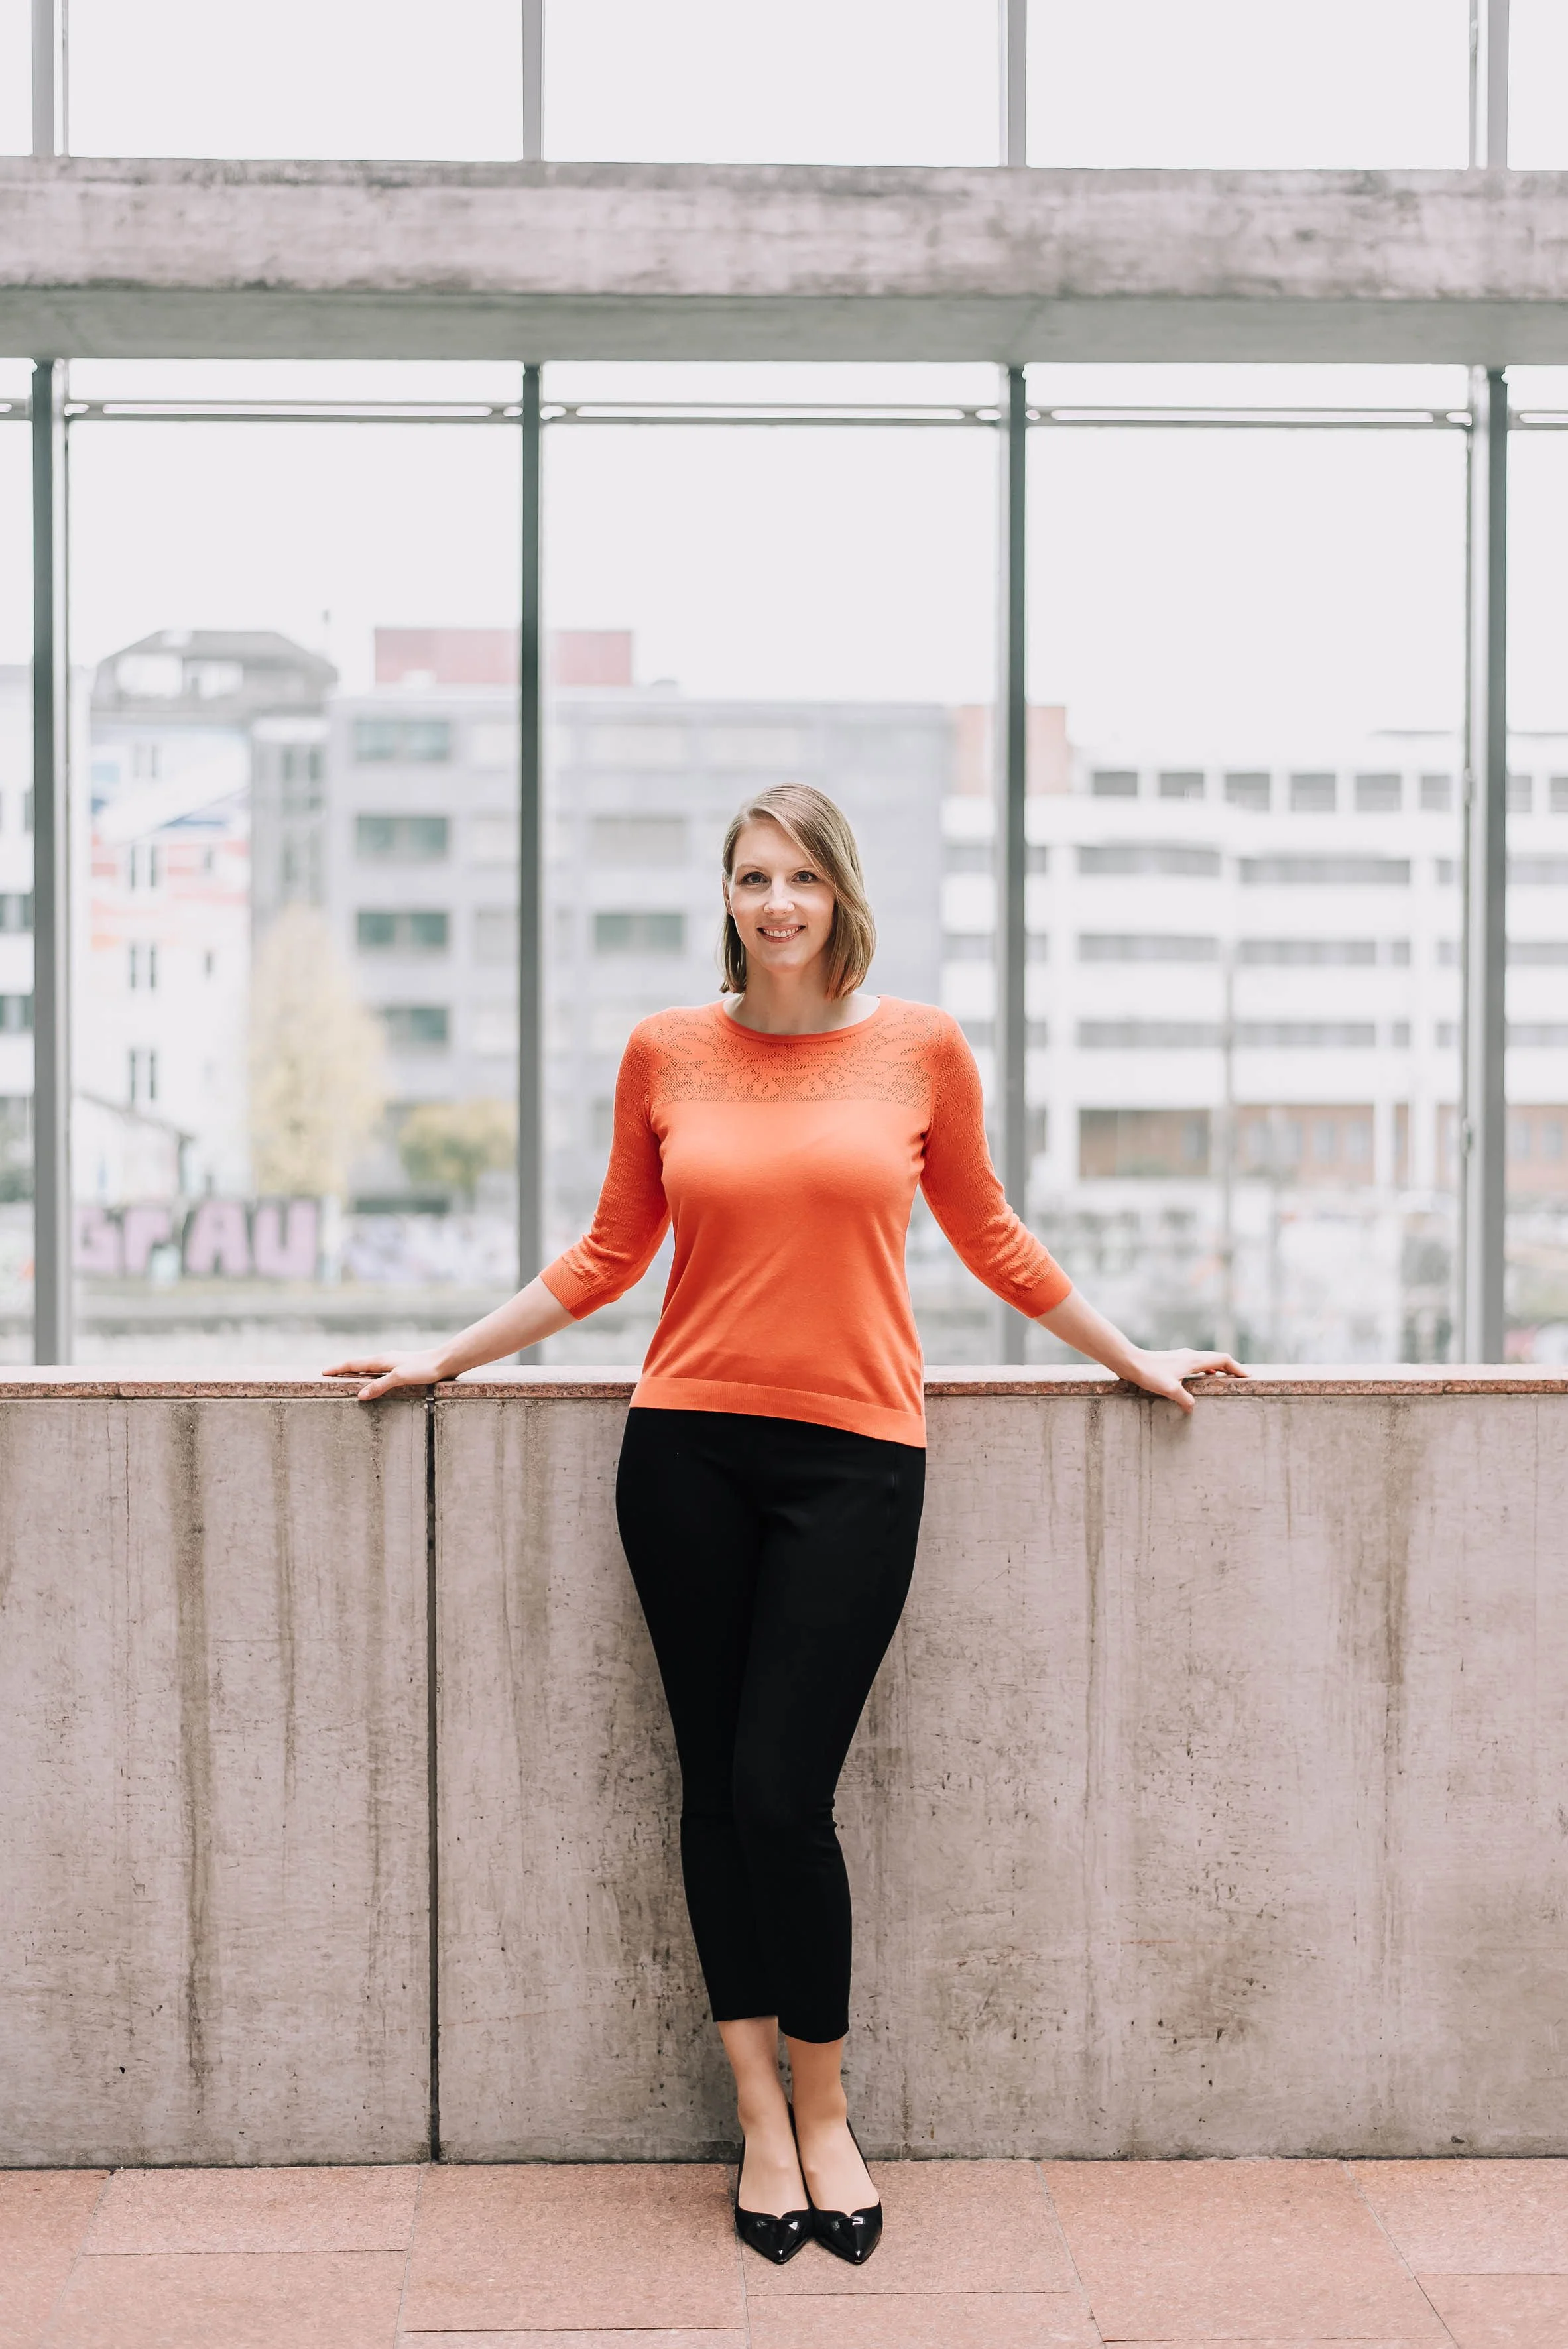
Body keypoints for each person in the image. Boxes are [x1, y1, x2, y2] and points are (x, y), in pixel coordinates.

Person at [326, 782, 1244, 2266]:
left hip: (858, 1463)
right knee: (711, 1787)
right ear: (731, 897)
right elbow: (610, 1251)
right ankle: (758, 2113)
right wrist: (442, 1352)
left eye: (800, 877)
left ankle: (830, 2107)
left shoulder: (920, 1048)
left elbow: (991, 1235)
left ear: (839, 895)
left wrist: (1133, 1355)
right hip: (685, 1450)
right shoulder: (667, 1052)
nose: (775, 903)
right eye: (753, 875)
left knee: (781, 1793)